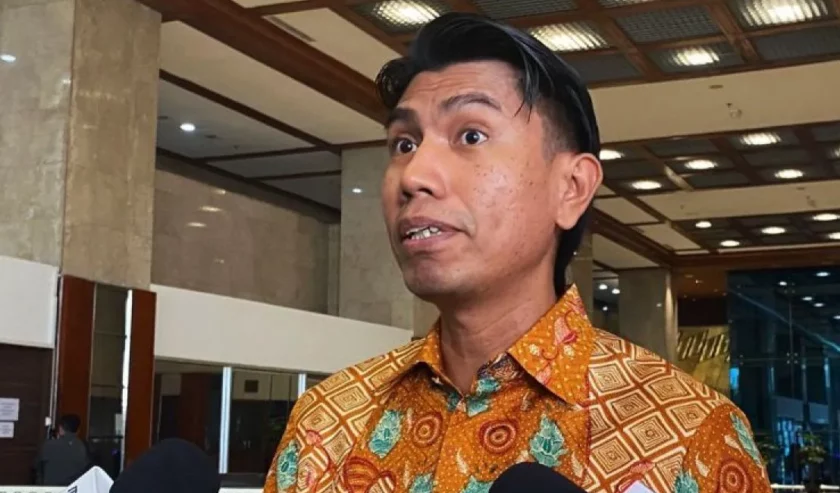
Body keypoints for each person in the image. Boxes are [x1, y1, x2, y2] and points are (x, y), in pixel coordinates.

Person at [264, 13, 771, 493]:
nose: (414, 176)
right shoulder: (328, 421)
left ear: (572, 187)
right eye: (404, 144)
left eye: (471, 135)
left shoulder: (690, 436)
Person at [33, 414, 91, 486]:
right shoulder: (83, 447)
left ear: (60, 429)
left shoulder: (49, 445)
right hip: (74, 488)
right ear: (78, 430)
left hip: (51, 488)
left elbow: (36, 466)